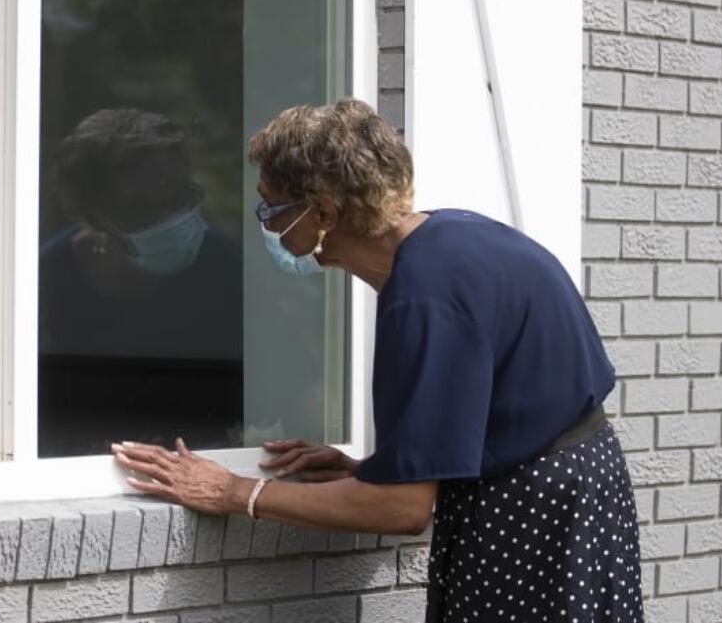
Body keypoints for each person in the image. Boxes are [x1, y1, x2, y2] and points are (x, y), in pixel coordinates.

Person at [112, 99, 643, 622]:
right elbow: (502, 414)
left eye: (270, 209)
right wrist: (373, 470)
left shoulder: (424, 296)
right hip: (579, 506)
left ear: (324, 214)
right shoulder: (459, 237)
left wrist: (237, 491)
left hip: (530, 527)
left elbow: (402, 509)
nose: (265, 224)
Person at [39, 108, 242, 456]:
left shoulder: (222, 266)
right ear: (94, 214)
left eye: (179, 197)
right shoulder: (47, 278)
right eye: (142, 206)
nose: (170, 218)